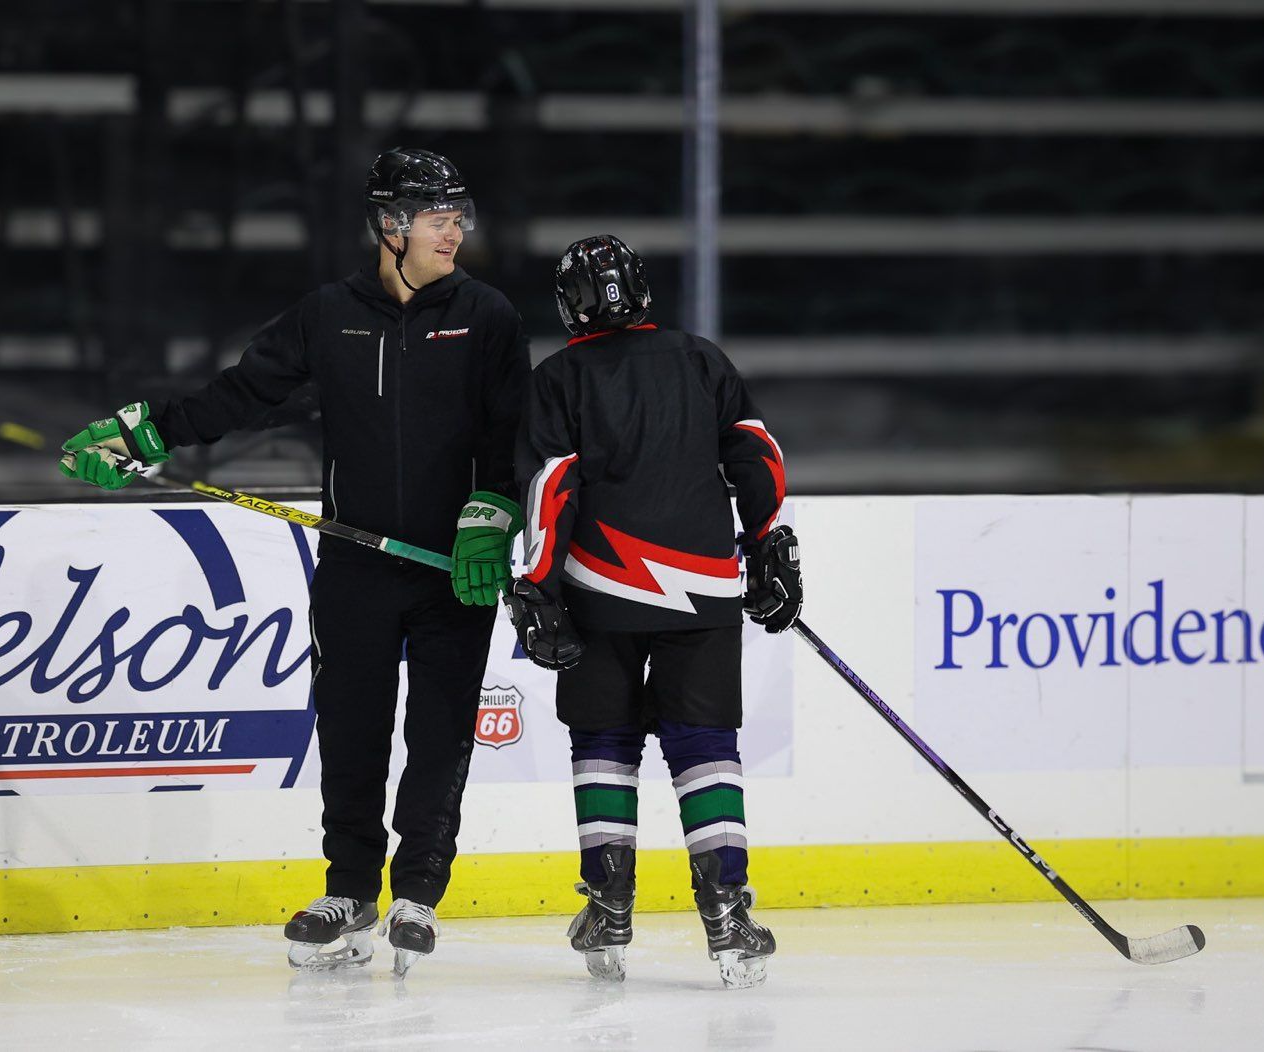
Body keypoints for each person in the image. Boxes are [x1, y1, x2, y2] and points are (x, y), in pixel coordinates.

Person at [57, 147, 529, 977]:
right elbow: (243, 392)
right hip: (354, 564)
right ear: (390, 224)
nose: (455, 229)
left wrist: (491, 515)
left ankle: (417, 887)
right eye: (437, 215)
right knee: (351, 729)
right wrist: (152, 432)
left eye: (460, 214)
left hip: (452, 568)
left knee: (440, 730)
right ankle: (349, 887)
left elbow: (510, 435)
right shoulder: (327, 315)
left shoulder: (487, 316)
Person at [504, 234, 802, 989]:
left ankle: (608, 906)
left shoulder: (558, 377)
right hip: (702, 590)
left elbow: (551, 486)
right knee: (705, 745)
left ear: (571, 305)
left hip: (599, 592)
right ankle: (728, 913)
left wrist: (537, 587)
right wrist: (767, 545)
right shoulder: (700, 358)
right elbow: (757, 456)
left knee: (605, 739)